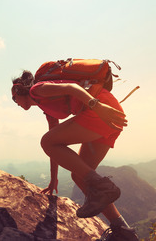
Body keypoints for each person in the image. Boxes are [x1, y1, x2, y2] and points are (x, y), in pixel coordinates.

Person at [11, 70, 139, 241]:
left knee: (47, 142)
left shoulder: (37, 90)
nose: (15, 103)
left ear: (20, 91)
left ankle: (103, 187)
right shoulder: (48, 108)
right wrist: (53, 180)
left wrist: (97, 106)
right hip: (108, 114)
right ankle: (123, 231)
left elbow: (72, 88)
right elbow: (55, 149)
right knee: (78, 175)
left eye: (14, 98)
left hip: (102, 110)